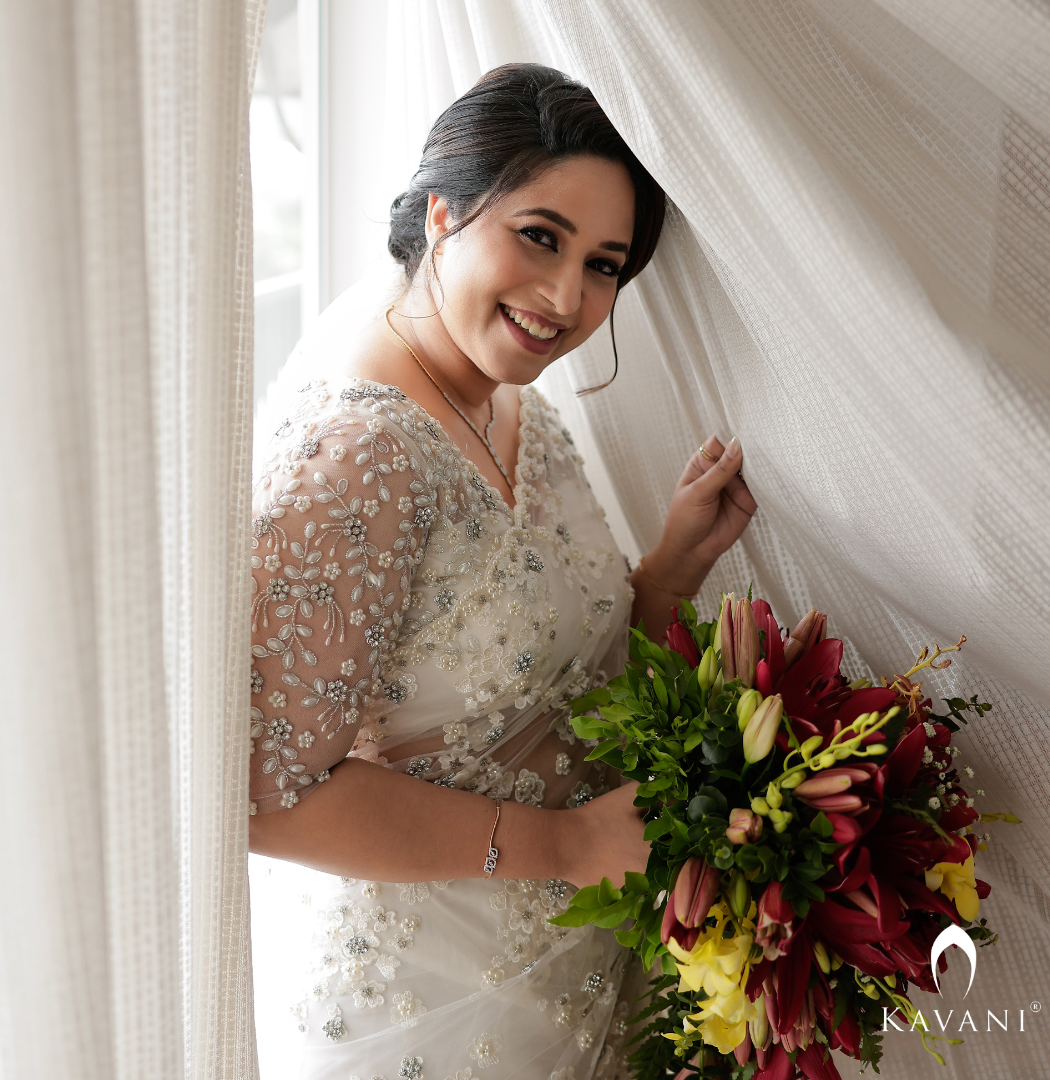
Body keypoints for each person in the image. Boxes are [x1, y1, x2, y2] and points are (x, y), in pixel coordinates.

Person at [248, 63, 755, 1080]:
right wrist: (564, 850)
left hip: (573, 973)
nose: (568, 297)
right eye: (540, 236)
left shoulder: (510, 401)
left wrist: (665, 578)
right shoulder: (364, 455)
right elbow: (269, 798)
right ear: (443, 212)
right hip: (429, 1009)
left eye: (606, 264)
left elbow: (550, 694)